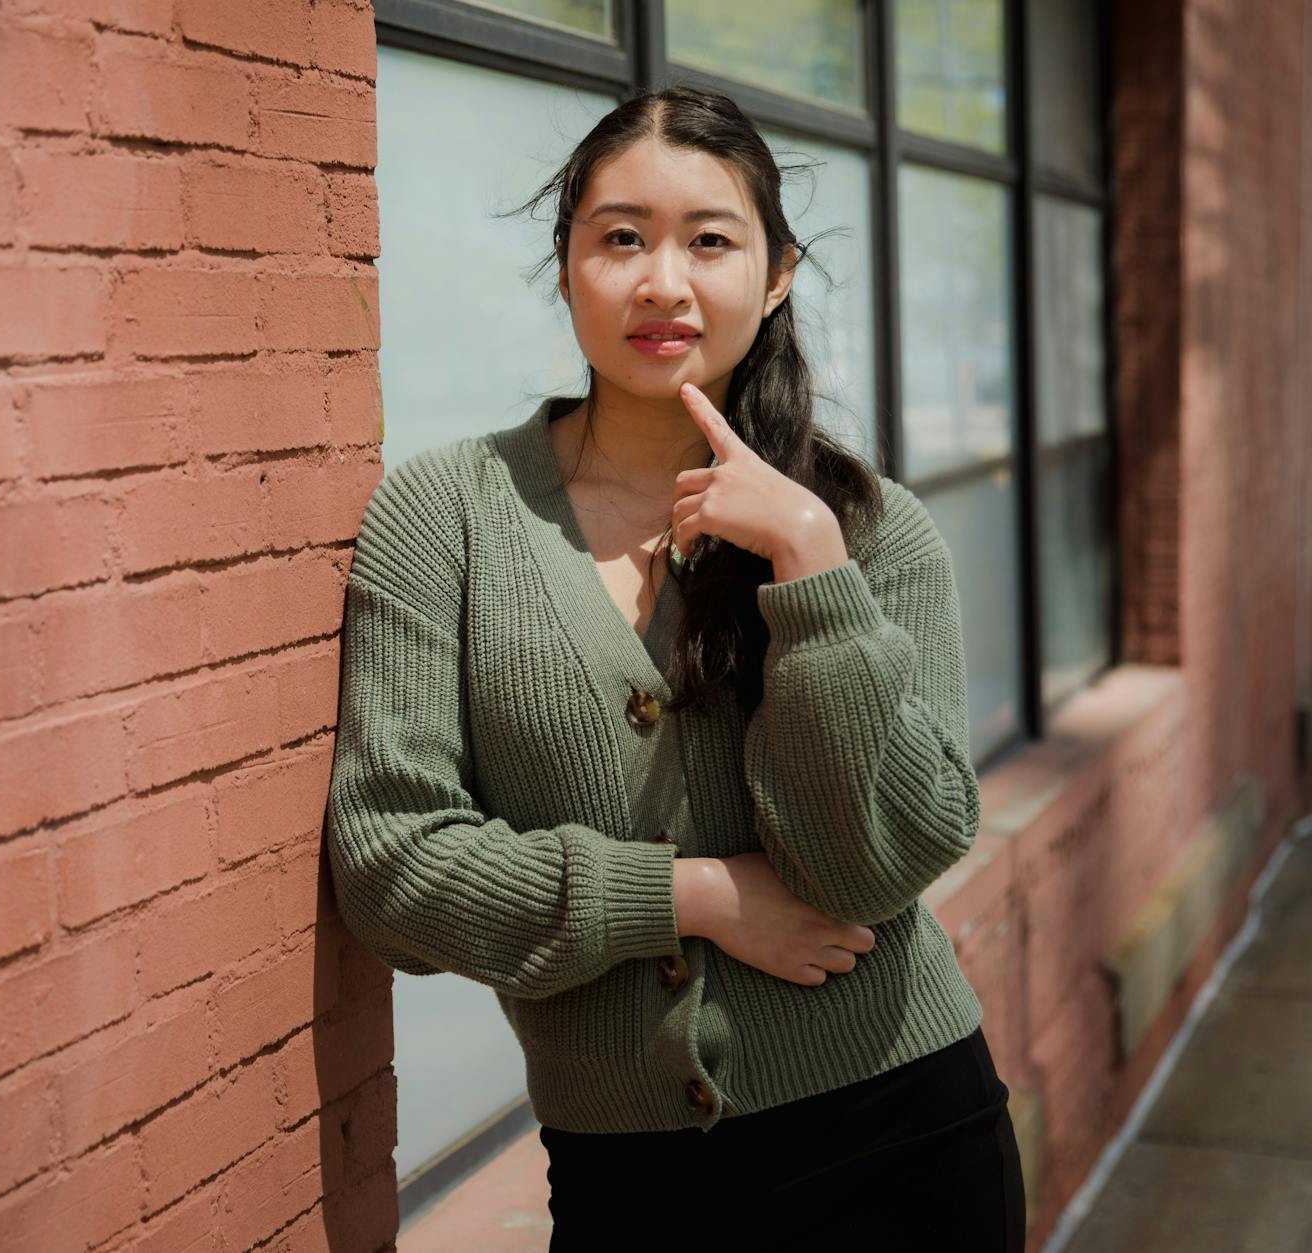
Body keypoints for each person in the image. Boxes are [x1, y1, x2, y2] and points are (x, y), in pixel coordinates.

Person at [322, 81, 1028, 1251]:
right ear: (564, 269)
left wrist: (808, 569)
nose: (661, 281)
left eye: (708, 240)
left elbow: (879, 861)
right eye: (619, 239)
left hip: (902, 1136)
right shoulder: (444, 518)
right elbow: (391, 865)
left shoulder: (868, 531)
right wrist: (685, 896)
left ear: (777, 273)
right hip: (625, 1176)